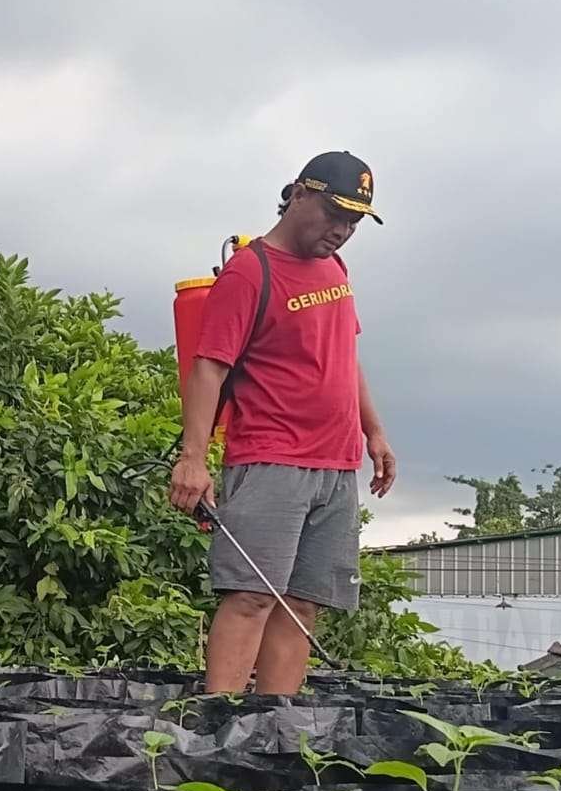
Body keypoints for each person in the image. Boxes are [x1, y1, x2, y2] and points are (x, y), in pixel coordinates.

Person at [169, 151, 395, 695]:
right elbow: (209, 366)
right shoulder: (251, 271)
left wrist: (374, 432)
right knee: (251, 596)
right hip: (271, 459)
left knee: (301, 606)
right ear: (298, 195)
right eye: (334, 214)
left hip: (336, 464)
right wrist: (193, 459)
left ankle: (275, 729)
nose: (342, 231)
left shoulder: (336, 270)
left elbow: (345, 356)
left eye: (354, 222)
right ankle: (222, 724)